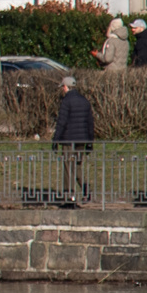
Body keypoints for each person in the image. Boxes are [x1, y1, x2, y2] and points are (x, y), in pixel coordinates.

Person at [53, 75, 94, 203]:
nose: (62, 90)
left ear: (66, 87)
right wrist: (90, 142)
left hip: (68, 140)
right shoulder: (84, 101)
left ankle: (68, 195)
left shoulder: (66, 101)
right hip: (82, 140)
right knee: (77, 165)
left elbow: (62, 122)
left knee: (67, 166)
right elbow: (90, 123)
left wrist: (56, 140)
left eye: (63, 87)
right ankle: (85, 189)